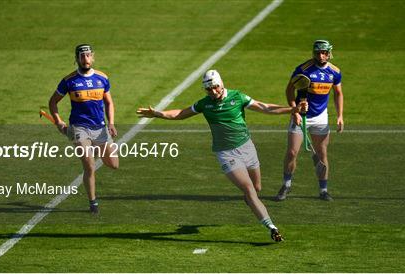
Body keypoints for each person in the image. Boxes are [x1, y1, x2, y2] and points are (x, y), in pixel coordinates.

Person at [137, 69, 306, 242]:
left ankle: (251, 201)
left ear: (221, 83)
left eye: (215, 87)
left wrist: (292, 110)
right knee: (248, 189)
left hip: (247, 148)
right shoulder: (205, 104)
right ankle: (272, 227)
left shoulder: (238, 97)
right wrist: (158, 114)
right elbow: (181, 113)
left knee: (256, 189)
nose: (213, 91)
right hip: (225, 153)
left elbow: (266, 108)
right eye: (209, 89)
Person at [48, 44, 119, 214]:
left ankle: (91, 144)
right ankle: (93, 203)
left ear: (92, 57)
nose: (85, 59)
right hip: (79, 127)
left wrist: (111, 123)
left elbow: (109, 102)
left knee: (113, 164)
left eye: (88, 55)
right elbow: (52, 102)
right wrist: (59, 122)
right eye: (82, 56)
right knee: (89, 166)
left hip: (99, 127)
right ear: (76, 59)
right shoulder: (69, 81)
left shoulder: (102, 78)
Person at [275, 39, 344, 202]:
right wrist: (294, 110)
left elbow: (338, 93)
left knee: (321, 154)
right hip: (302, 115)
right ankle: (286, 185)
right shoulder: (303, 69)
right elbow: (289, 90)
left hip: (320, 118)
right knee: (292, 152)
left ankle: (323, 189)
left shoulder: (335, 72)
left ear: (329, 53)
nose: (321, 56)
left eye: (324, 52)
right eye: (318, 52)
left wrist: (340, 115)